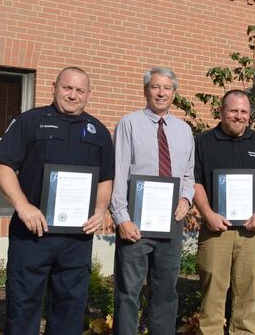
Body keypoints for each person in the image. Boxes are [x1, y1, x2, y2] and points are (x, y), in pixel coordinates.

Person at [0, 66, 115, 334]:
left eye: (80, 90)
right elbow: (2, 166)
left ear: (88, 94)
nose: (73, 95)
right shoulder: (29, 121)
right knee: (23, 305)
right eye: (67, 88)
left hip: (76, 237)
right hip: (33, 233)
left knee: (70, 307)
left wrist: (101, 210)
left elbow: (106, 178)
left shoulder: (99, 132)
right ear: (54, 87)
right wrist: (23, 206)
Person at [110, 67, 195, 335]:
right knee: (128, 291)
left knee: (166, 291)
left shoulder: (184, 130)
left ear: (174, 93)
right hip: (135, 223)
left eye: (167, 88)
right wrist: (121, 218)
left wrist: (185, 198)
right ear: (146, 90)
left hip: (171, 221)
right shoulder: (129, 123)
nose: (161, 93)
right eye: (155, 87)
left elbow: (188, 174)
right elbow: (118, 172)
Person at [192, 90, 255, 335]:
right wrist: (207, 213)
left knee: (248, 289)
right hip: (215, 230)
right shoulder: (204, 142)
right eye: (233, 111)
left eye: (244, 112)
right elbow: (194, 181)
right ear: (221, 112)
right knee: (213, 290)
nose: (239, 116)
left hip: (252, 231)